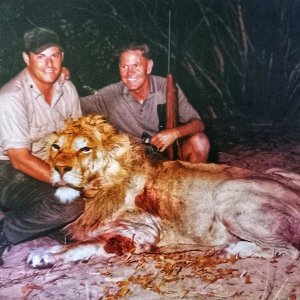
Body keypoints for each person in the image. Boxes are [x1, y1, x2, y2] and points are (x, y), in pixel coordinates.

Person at [0, 27, 84, 265]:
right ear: (27, 58)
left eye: (54, 55)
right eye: (40, 56)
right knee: (70, 204)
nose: (49, 63)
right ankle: (4, 232)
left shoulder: (67, 88)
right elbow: (19, 159)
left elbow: (76, 138)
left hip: (48, 164)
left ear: (62, 57)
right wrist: (70, 181)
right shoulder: (10, 97)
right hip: (8, 169)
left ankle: (41, 221)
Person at [80, 44, 210, 163]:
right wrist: (60, 78)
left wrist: (174, 133)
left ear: (149, 66)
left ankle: (190, 185)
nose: (129, 73)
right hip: (135, 162)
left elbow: (198, 125)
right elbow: (75, 104)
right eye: (125, 67)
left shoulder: (166, 87)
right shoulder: (110, 95)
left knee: (200, 142)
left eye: (136, 66)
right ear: (119, 68)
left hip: (169, 156)